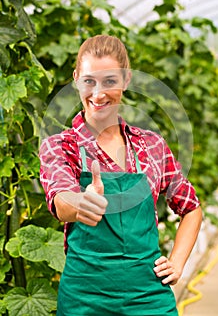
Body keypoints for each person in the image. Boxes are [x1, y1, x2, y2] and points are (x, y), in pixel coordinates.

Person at [39, 34, 202, 316]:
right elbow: (60, 199)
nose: (98, 93)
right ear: (76, 79)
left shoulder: (151, 145)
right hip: (84, 300)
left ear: (126, 80)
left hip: (148, 296)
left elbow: (191, 208)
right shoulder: (61, 146)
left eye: (110, 81)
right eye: (89, 81)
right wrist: (82, 204)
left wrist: (176, 262)